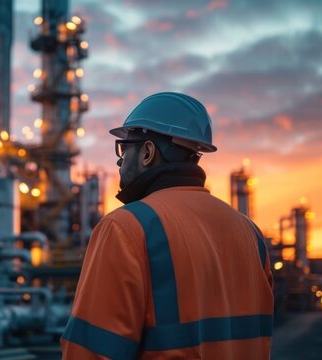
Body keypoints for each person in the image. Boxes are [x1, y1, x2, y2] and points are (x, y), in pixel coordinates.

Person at [61, 92, 273, 359]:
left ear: (148, 152)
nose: (119, 159)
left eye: (125, 148)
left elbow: (91, 351)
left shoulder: (126, 228)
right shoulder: (249, 233)